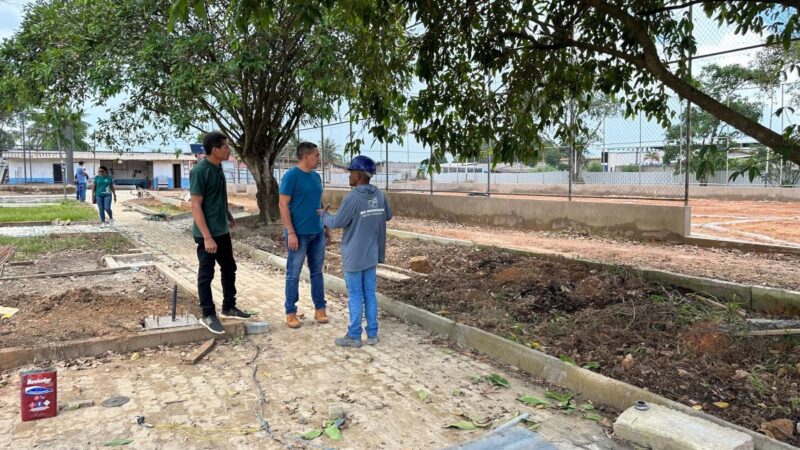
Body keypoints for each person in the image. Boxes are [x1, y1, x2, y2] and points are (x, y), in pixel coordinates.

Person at [319, 155, 392, 348]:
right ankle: (373, 334)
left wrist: (323, 216)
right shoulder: (380, 195)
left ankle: (354, 336)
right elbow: (388, 216)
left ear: (359, 175)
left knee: (356, 295)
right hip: (371, 253)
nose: (349, 176)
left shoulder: (353, 197)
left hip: (353, 255)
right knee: (370, 293)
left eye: (351, 173)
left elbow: (337, 223)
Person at [190, 131, 252, 334]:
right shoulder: (200, 171)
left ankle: (229, 306)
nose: (229, 150)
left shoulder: (218, 169)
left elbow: (218, 197)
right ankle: (208, 314)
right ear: (215, 149)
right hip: (206, 233)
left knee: (229, 268)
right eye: (226, 147)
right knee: (206, 274)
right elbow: (196, 206)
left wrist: (228, 215)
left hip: (221, 230)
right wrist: (207, 237)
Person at [279, 141, 331, 329]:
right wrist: (290, 232)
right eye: (316, 155)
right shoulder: (291, 176)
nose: (319, 158)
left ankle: (320, 308)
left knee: (317, 272)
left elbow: (319, 203)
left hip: (317, 233)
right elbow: (283, 204)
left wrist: (326, 227)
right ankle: (291, 312)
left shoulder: (316, 177)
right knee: (293, 274)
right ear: (306, 156)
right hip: (298, 234)